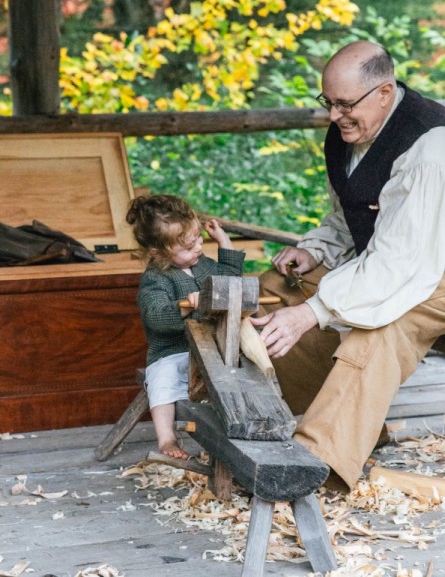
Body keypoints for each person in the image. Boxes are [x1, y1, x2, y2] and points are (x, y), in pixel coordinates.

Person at [251, 40, 445, 492]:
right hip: (397, 258)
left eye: (344, 104)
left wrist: (312, 313)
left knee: (379, 329)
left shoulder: (431, 146)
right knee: (279, 287)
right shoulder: (349, 131)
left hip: (432, 270)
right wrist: (317, 249)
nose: (334, 115)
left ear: (384, 91)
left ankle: (319, 464)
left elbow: (400, 265)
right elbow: (354, 209)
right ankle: (345, 424)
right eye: (328, 103)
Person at [126, 194, 245, 459]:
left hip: (210, 351)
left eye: (199, 239)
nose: (199, 248)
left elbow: (229, 281)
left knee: (240, 371)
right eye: (189, 247)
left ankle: (238, 426)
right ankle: (167, 437)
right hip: (174, 353)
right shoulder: (156, 279)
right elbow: (155, 316)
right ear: (160, 252)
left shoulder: (203, 265)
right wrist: (184, 306)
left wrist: (223, 240)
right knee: (161, 381)